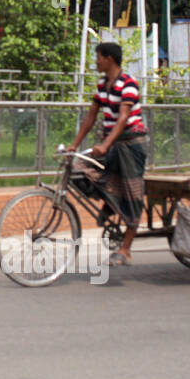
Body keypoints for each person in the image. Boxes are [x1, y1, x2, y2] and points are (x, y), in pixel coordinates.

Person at [67, 42, 148, 266]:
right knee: (78, 169)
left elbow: (123, 119)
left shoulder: (128, 84)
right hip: (111, 145)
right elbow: (91, 116)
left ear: (110, 59)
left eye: (99, 57)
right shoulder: (102, 86)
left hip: (131, 145)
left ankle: (126, 250)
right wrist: (74, 146)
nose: (96, 61)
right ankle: (111, 204)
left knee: (133, 197)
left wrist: (105, 145)